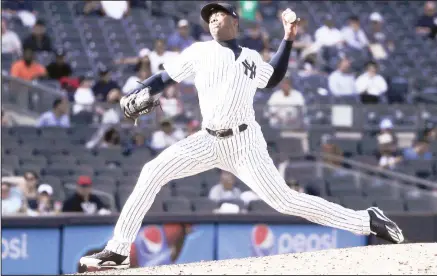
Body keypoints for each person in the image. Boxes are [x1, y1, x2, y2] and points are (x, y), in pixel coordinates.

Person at [80, 3, 403, 270]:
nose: (214, 19)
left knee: (285, 201)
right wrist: (140, 89)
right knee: (151, 172)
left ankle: (367, 220)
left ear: (235, 20)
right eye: (209, 17)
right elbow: (164, 77)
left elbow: (273, 77)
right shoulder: (199, 52)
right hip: (207, 140)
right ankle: (118, 249)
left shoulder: (250, 58)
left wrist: (288, 38)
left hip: (246, 143)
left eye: (220, 13)